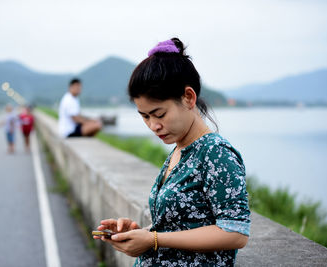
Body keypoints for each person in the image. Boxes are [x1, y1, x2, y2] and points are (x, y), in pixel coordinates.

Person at [94, 38, 251, 266]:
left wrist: (154, 239)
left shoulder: (216, 152)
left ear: (188, 97)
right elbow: (181, 227)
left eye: (159, 114)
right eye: (145, 117)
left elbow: (235, 232)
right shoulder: (179, 148)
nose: (153, 126)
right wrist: (141, 233)